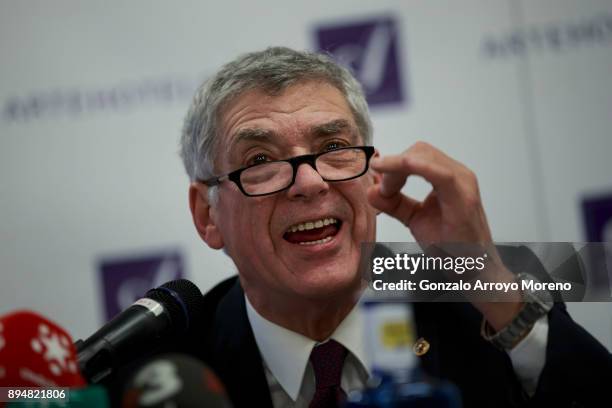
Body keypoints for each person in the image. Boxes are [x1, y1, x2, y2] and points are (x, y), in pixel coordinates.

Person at [107, 47, 611, 407]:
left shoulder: (478, 310)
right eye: (260, 159)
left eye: (332, 149)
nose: (309, 182)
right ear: (207, 215)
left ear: (372, 175)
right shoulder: (161, 378)